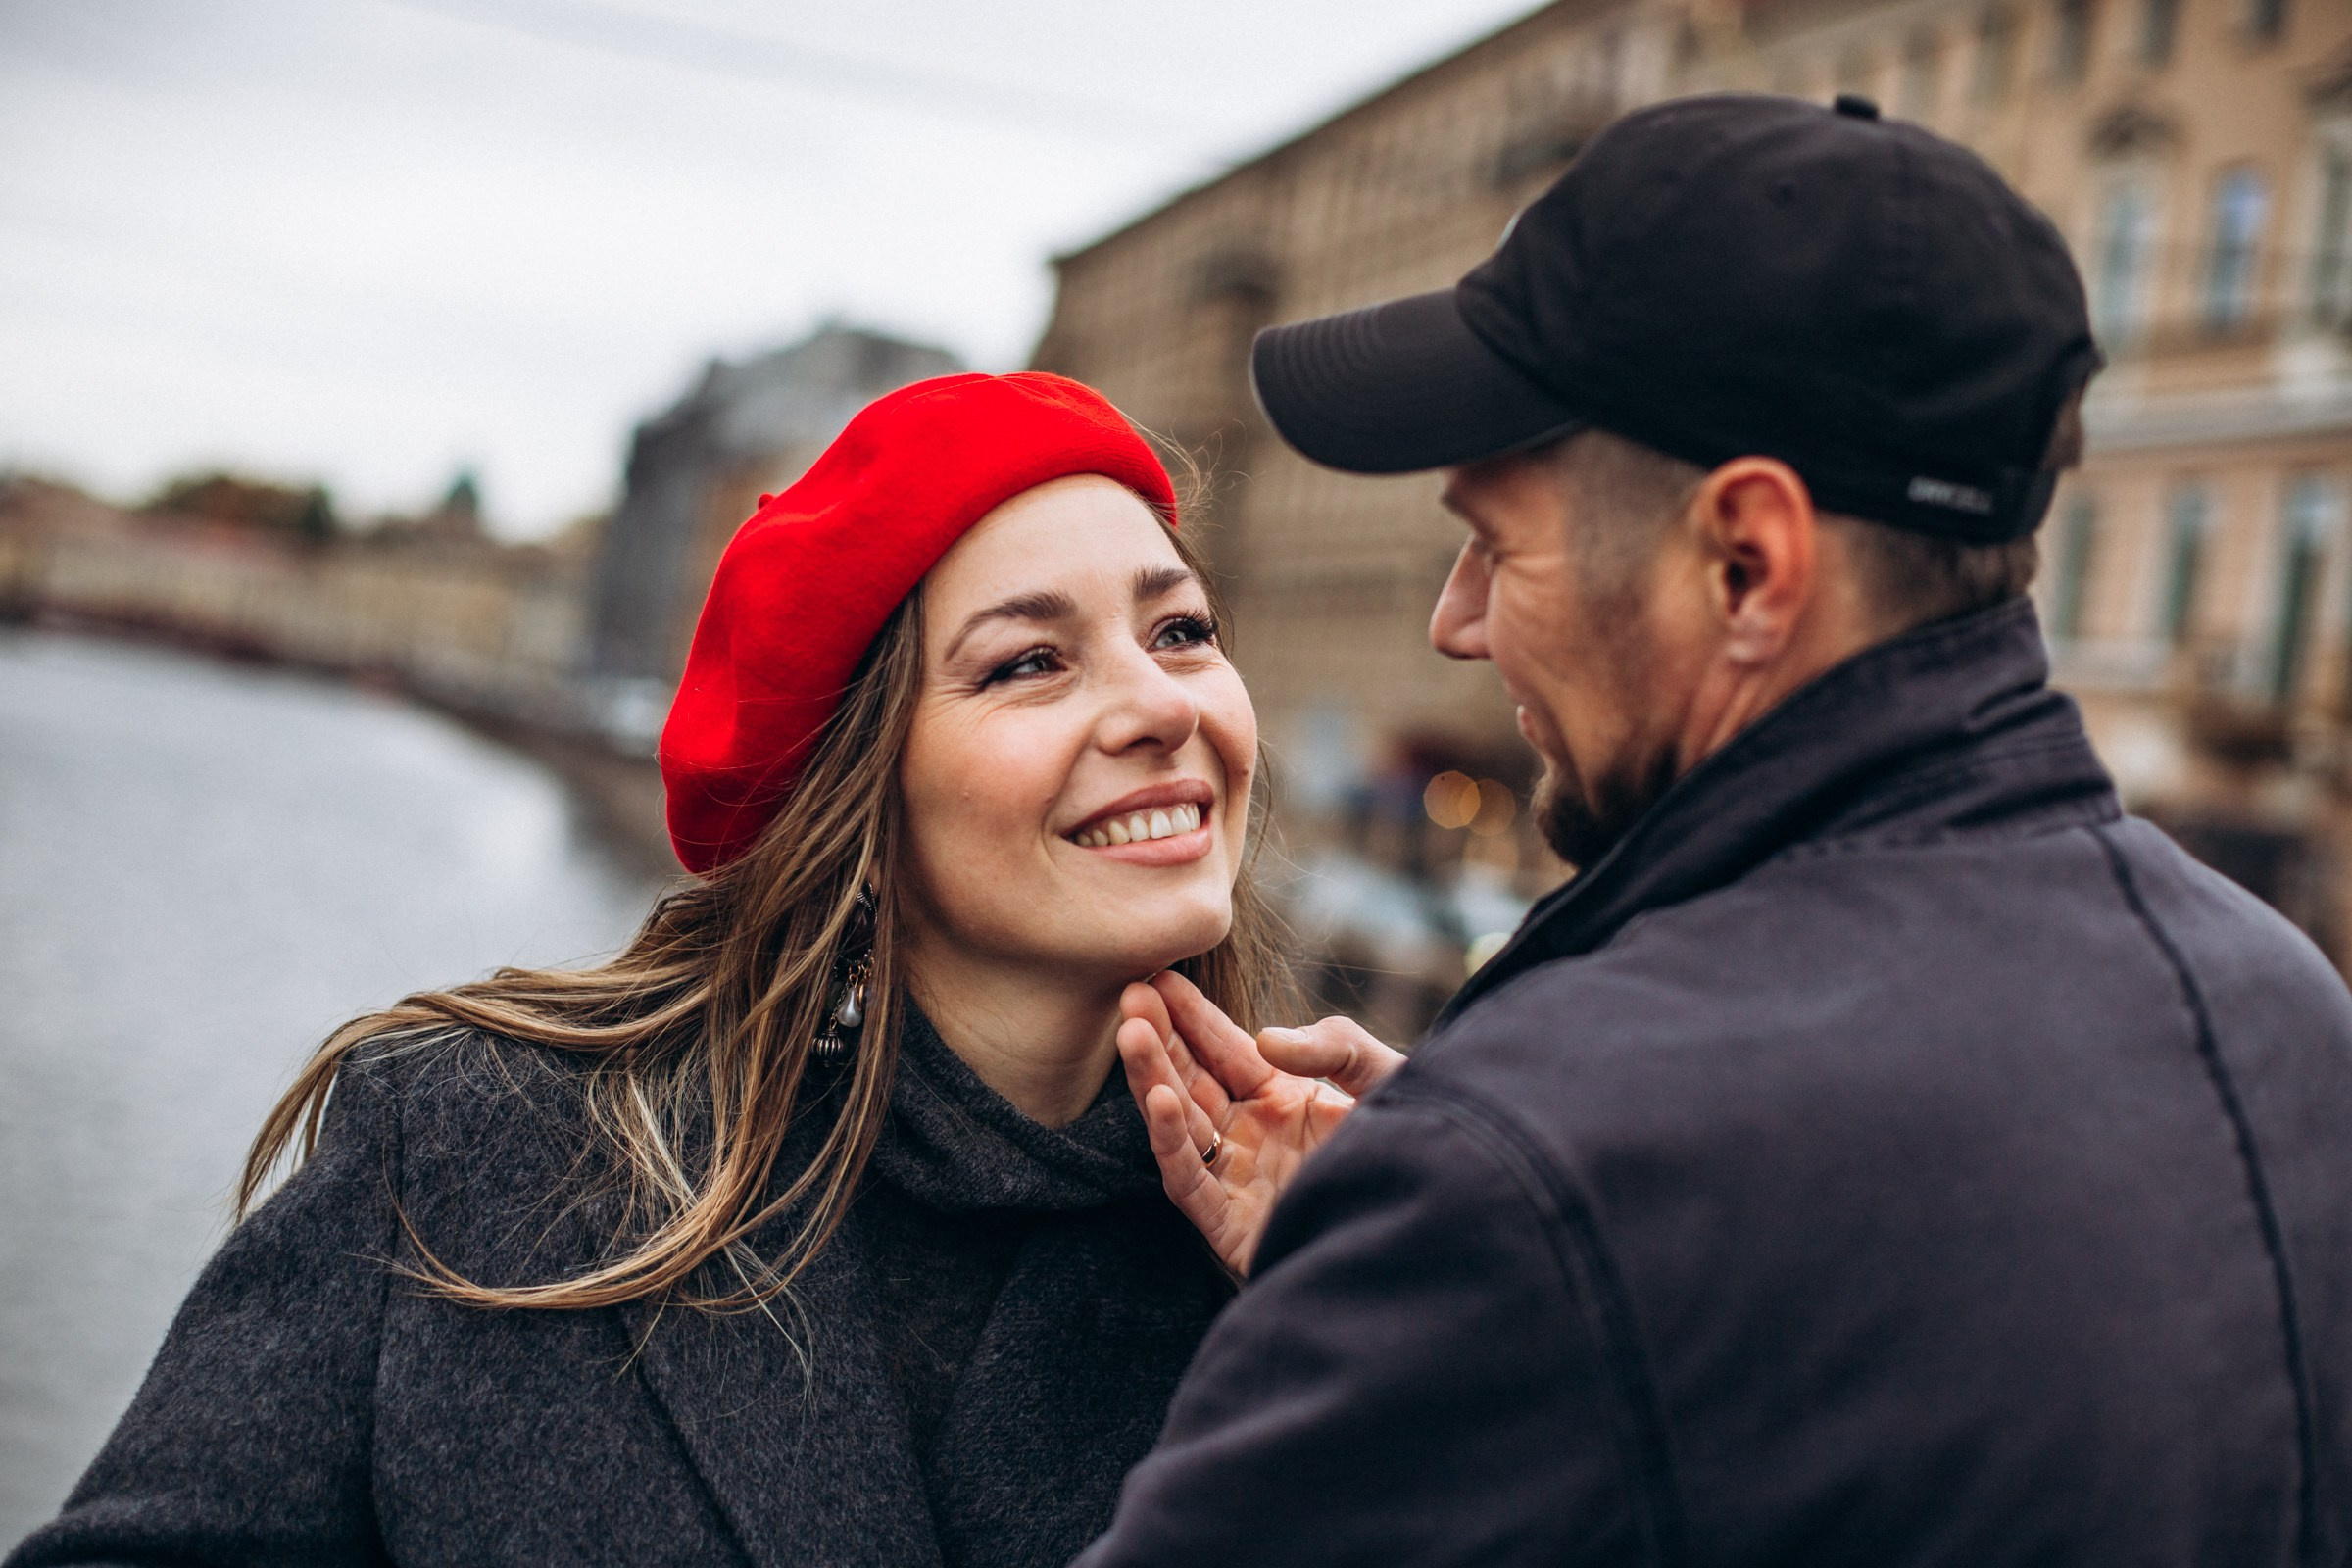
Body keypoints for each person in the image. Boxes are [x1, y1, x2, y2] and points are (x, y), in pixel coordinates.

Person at [1086, 93, 2352, 1564]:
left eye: (1497, 544)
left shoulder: (1557, 1178)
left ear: (1748, 564)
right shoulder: (2292, 1019)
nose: (1456, 621)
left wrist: (1469, 1247)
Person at [11, 372, 1283, 1567]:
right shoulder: (483, 1148)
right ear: (854, 792)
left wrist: (1412, 1305)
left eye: (1181, 629)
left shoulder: (1321, 1260)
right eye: (1028, 662)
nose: (1163, 704)